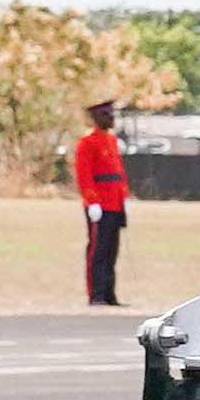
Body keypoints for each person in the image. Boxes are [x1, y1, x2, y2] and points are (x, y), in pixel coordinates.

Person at [69, 99, 129, 308]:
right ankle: (96, 294)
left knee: (112, 249)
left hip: (114, 202)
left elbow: (118, 172)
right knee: (98, 250)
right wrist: (91, 200)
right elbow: (84, 174)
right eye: (107, 115)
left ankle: (109, 293)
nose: (111, 118)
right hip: (99, 204)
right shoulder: (87, 142)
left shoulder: (111, 140)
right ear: (96, 117)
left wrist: (124, 197)